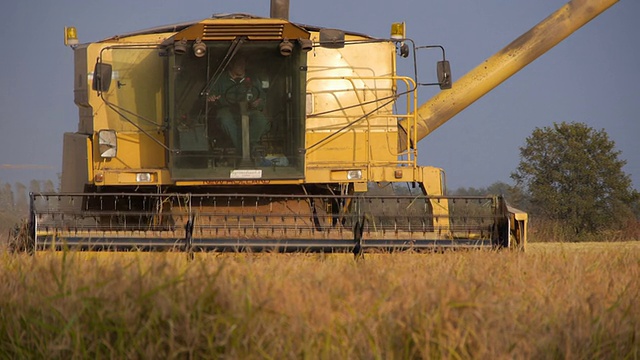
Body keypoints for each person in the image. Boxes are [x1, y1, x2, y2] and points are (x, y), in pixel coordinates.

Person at [207, 56, 269, 151]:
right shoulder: (220, 79)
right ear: (231, 64)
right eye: (238, 64)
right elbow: (210, 94)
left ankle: (249, 145)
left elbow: (262, 98)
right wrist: (211, 98)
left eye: (243, 64)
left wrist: (258, 103)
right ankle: (244, 149)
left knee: (261, 119)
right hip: (227, 109)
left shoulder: (253, 79)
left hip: (249, 109)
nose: (241, 66)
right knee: (225, 119)